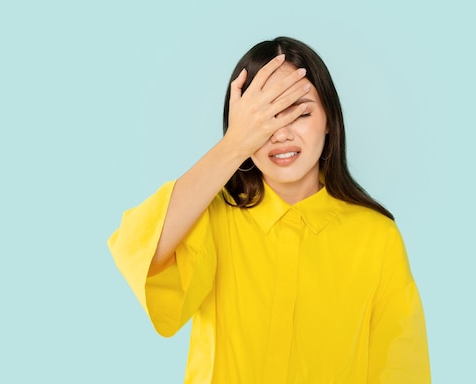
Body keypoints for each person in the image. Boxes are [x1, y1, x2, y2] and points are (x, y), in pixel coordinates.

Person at [108, 37, 430, 383]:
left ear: (329, 121)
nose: (281, 134)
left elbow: (401, 370)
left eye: (300, 112)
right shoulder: (211, 218)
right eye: (264, 118)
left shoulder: (376, 237)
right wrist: (234, 144)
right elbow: (139, 251)